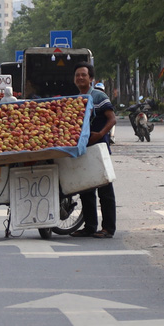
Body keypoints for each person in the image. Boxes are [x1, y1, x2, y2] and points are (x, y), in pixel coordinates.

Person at [60, 63, 117, 237]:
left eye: (83, 75)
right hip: (83, 149)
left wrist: (100, 134)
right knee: (86, 189)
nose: (80, 78)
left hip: (99, 148)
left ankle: (108, 228)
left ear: (91, 78)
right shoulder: (77, 99)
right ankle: (90, 226)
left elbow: (112, 119)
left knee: (105, 189)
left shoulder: (99, 96)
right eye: (77, 75)